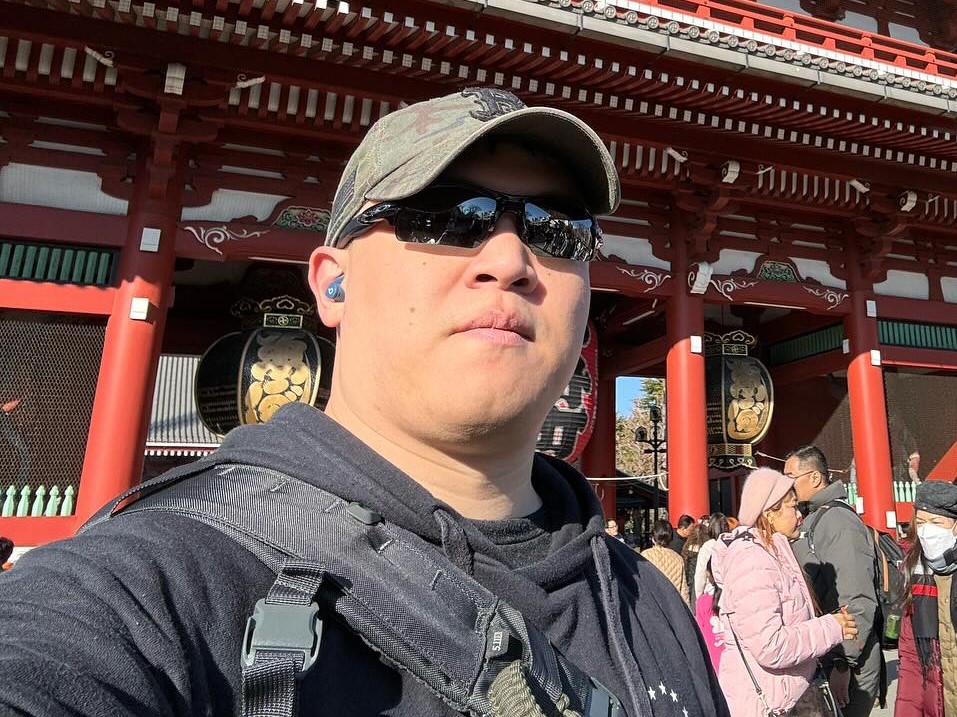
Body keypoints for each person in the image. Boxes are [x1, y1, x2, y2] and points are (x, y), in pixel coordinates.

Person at [0, 89, 729, 717]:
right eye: (445, 215)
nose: (510, 261)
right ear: (332, 281)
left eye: (554, 231)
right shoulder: (155, 585)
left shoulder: (647, 599)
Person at [712, 467, 857, 717]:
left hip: (790, 692)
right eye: (793, 507)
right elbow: (770, 646)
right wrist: (831, 627)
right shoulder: (753, 561)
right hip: (770, 701)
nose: (800, 515)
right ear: (769, 513)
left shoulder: (775, 552)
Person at [786, 444, 882, 717]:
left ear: (814, 478)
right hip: (824, 651)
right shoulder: (812, 518)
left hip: (845, 658)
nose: (786, 484)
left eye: (790, 476)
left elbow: (855, 595)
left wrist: (844, 662)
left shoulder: (838, 520)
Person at [894, 481, 957, 717]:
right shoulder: (916, 572)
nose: (927, 531)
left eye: (936, 523)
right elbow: (911, 660)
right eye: (921, 523)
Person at [694, 514, 731, 672]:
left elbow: (700, 573)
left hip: (711, 592)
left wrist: (699, 595)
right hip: (730, 591)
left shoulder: (708, 546)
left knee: (711, 632)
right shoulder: (731, 542)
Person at [641, 519, 690, 607]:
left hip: (653, 603)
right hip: (674, 605)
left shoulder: (645, 556)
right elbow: (683, 589)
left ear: (653, 538)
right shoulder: (678, 558)